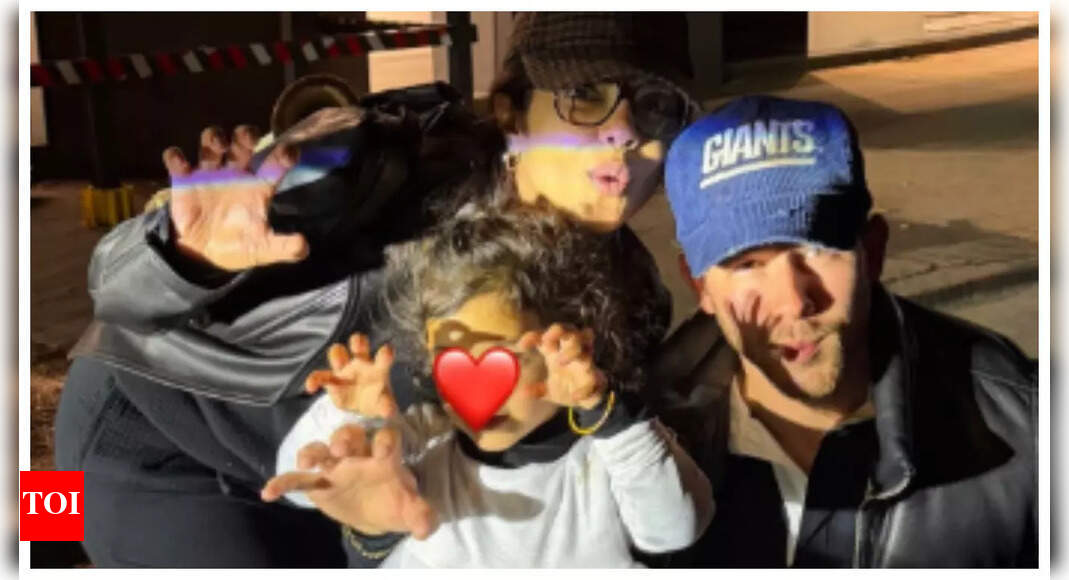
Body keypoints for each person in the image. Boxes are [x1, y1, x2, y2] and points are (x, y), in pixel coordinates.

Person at [54, 12, 700, 567]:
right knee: (41, 536)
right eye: (584, 96)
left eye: (654, 107)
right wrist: (188, 254)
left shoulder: (630, 294)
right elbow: (115, 291)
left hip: (349, 485)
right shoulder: (376, 169)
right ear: (510, 109)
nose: (623, 132)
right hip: (158, 445)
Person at [658, 95, 1038, 567]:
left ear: (873, 251)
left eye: (817, 249)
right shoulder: (635, 446)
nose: (794, 300)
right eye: (747, 264)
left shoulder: (1030, 432)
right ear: (700, 287)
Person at [261, 204, 713, 566]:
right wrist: (351, 424)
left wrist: (606, 412)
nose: (476, 390)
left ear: (572, 343)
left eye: (505, 355)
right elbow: (301, 478)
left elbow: (675, 528)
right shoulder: (419, 444)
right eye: (449, 358)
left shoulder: (607, 460)